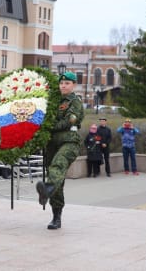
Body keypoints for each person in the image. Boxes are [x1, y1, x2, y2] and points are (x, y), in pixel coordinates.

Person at [35, 71, 85, 230]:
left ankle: (48, 188)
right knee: (56, 178)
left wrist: (49, 127)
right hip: (51, 143)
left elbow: (68, 120)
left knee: (58, 164)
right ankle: (56, 216)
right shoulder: (51, 101)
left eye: (67, 83)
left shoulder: (75, 102)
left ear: (73, 85)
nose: (63, 86)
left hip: (69, 141)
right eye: (61, 83)